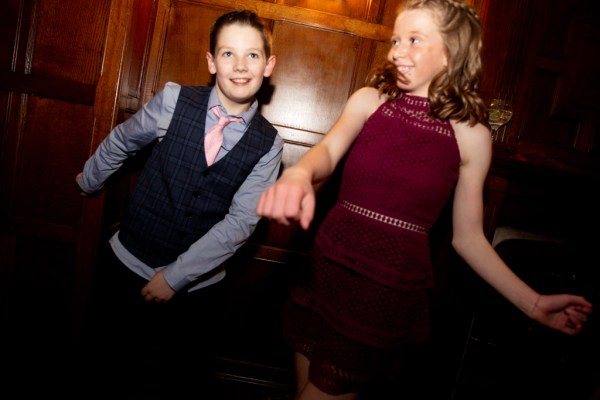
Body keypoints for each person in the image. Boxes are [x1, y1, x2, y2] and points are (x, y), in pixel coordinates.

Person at [256, 0, 594, 399]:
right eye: (396, 39)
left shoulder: (472, 136)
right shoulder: (369, 101)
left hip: (382, 293)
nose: (398, 50)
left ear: (452, 52)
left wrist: (534, 304)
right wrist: (299, 172)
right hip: (327, 268)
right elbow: (327, 154)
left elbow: (468, 239)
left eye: (414, 40)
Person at [75, 9, 282, 394]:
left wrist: (176, 277)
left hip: (198, 290)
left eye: (252, 55)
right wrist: (90, 179)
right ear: (210, 61)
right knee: (103, 368)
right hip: (126, 266)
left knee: (181, 380)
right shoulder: (174, 100)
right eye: (227, 54)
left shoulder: (271, 144)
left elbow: (240, 223)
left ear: (268, 65)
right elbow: (122, 141)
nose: (240, 66)